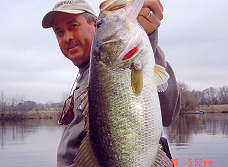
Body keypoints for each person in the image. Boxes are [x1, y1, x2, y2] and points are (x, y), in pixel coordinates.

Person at [42, 0, 180, 166]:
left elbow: (168, 111)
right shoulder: (84, 77)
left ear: (94, 24)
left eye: (73, 26)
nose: (67, 37)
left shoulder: (117, 66)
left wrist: (149, 38)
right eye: (59, 32)